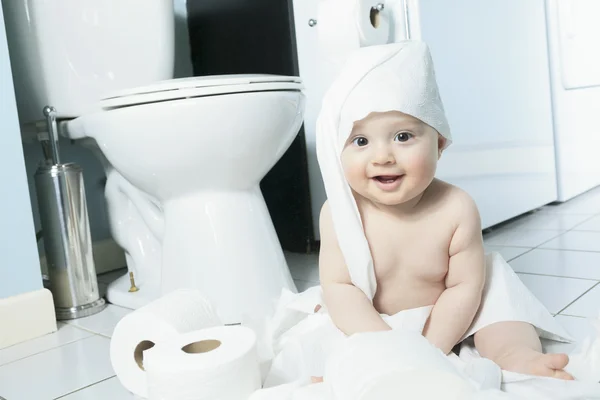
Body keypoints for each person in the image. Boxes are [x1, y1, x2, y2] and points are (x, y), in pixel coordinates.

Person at [312, 40, 574, 382]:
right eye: (360, 141)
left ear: (439, 143)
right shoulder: (339, 213)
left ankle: (515, 355)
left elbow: (463, 288)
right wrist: (388, 349)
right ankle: (347, 372)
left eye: (403, 136)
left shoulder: (456, 207)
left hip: (452, 316)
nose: (382, 156)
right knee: (330, 322)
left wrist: (428, 351)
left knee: (495, 291)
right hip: (371, 320)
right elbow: (341, 287)